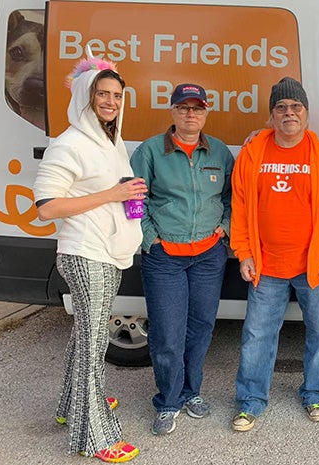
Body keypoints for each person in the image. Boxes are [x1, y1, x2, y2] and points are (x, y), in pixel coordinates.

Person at [34, 57, 144, 462]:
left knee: (86, 336)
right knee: (94, 346)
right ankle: (93, 435)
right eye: (103, 94)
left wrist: (127, 195)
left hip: (106, 251)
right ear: (86, 95)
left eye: (117, 95)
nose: (111, 101)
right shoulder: (70, 143)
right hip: (86, 254)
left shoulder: (109, 140)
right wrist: (112, 196)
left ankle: (69, 407)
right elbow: (46, 207)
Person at [230, 77, 319, 431]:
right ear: (272, 116)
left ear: (306, 113)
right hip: (266, 264)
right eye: (281, 108)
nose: (289, 113)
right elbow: (240, 207)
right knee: (257, 334)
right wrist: (243, 252)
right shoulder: (253, 153)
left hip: (314, 265)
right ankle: (250, 400)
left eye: (295, 107)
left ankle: (314, 392)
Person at [130, 83, 234, 435]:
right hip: (165, 259)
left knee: (201, 329)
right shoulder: (149, 152)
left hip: (208, 256)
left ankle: (192, 393)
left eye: (198, 108)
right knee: (167, 334)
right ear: (173, 112)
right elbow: (133, 202)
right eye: (184, 108)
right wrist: (151, 240)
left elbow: (235, 197)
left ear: (206, 112)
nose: (191, 114)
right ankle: (168, 401)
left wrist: (224, 229)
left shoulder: (219, 153)